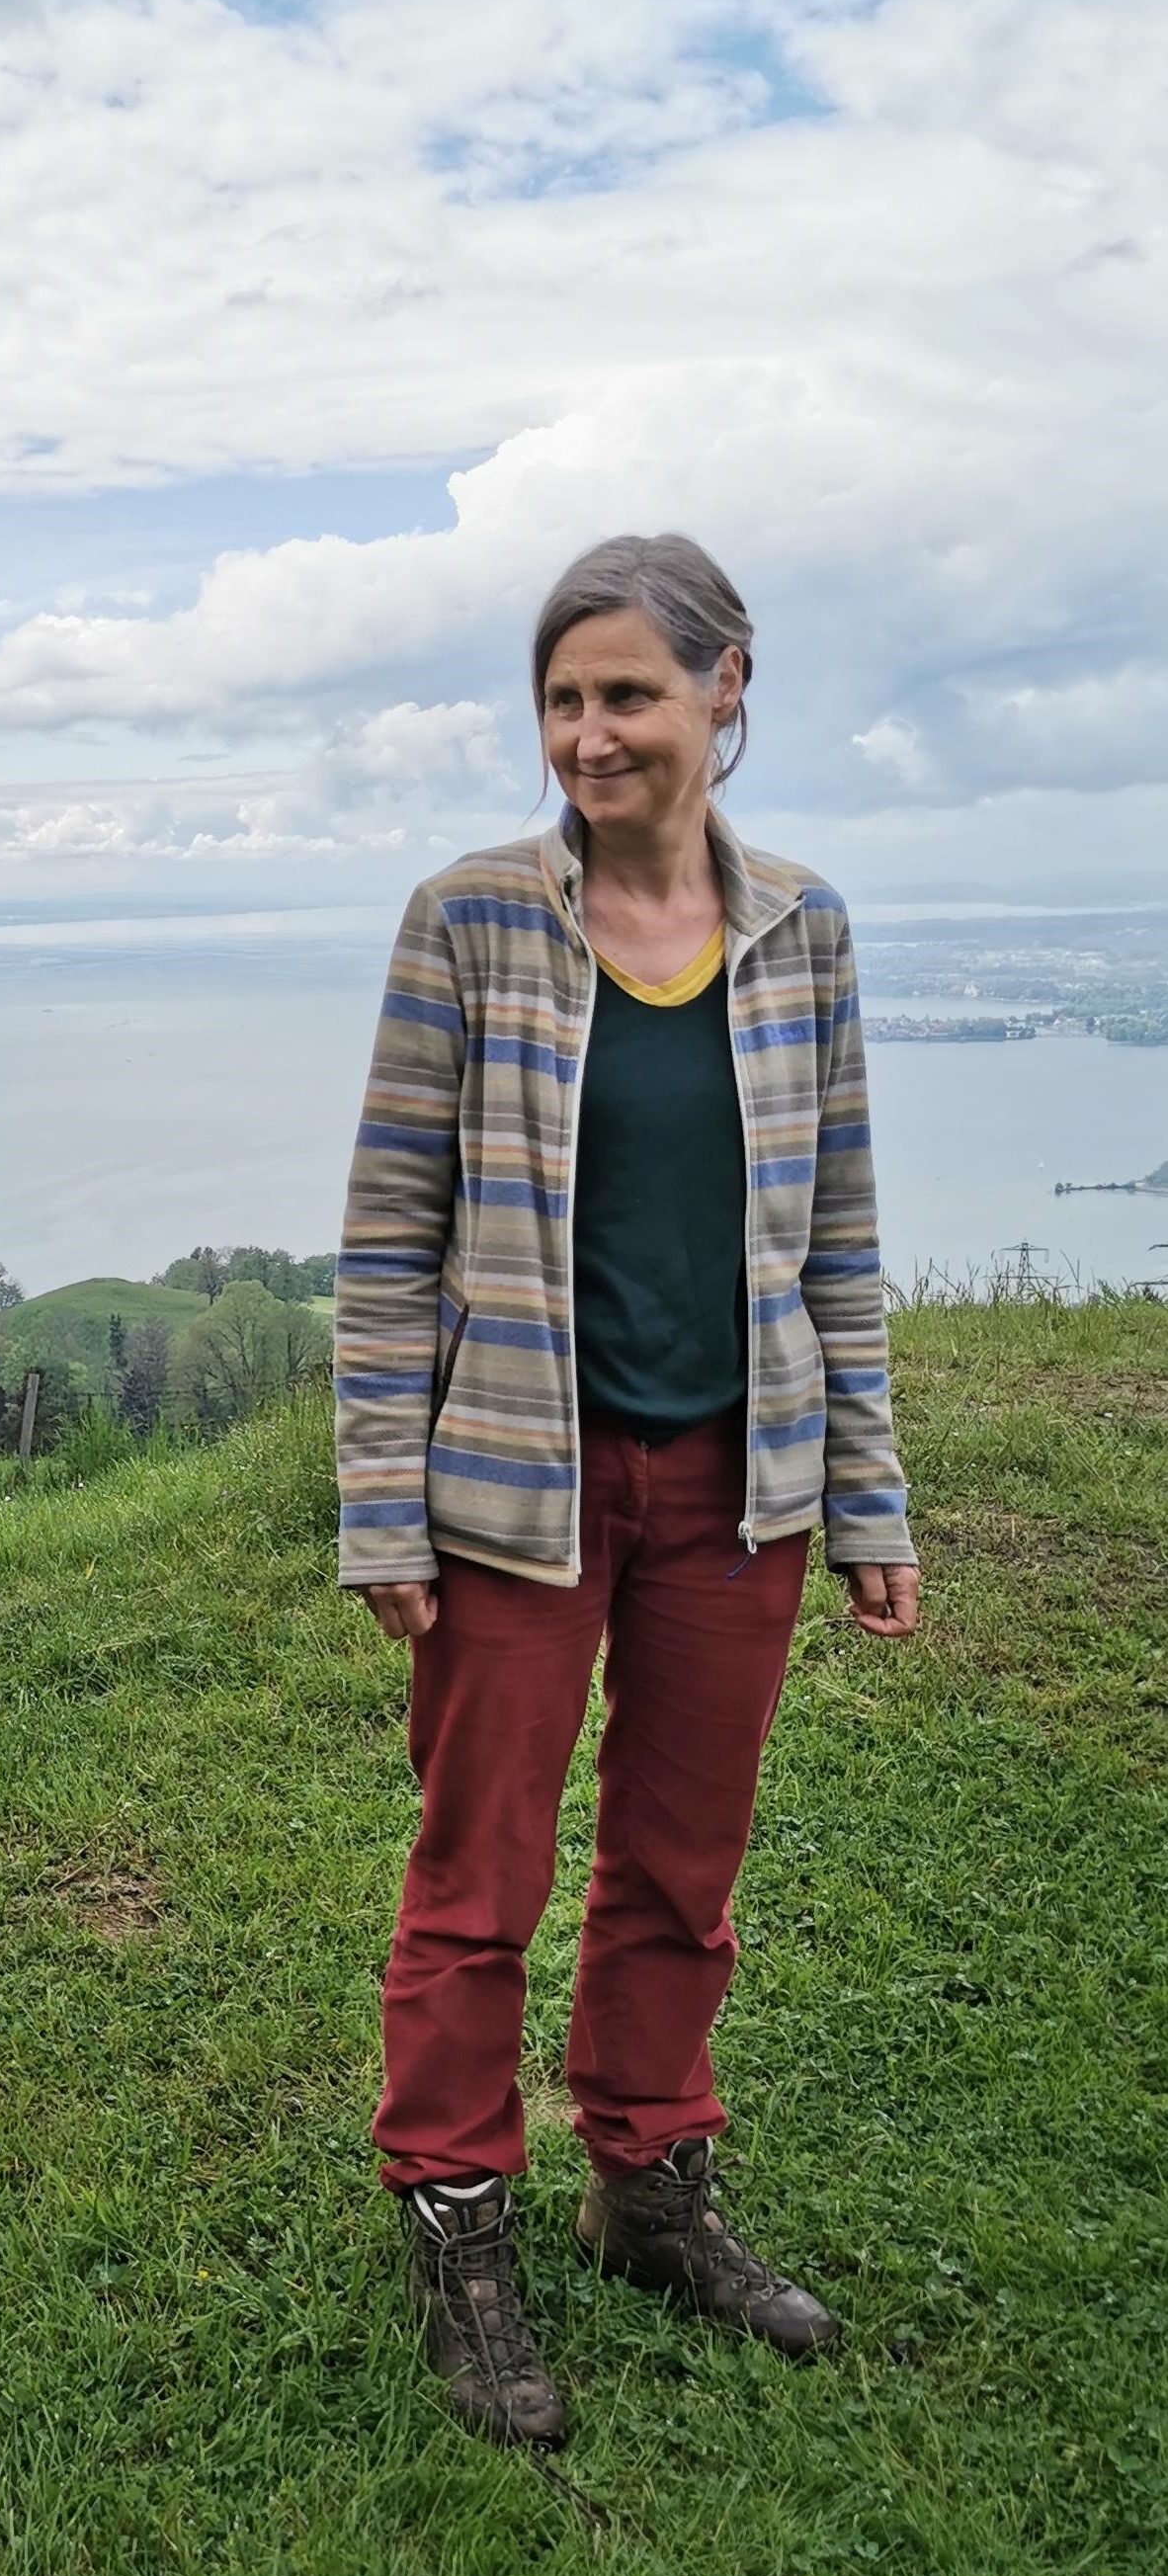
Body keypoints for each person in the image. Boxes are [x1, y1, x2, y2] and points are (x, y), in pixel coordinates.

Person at [333, 534, 921, 2450]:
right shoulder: (468, 921)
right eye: (562, 699)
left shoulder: (803, 928)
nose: (588, 733)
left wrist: (865, 1496)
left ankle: (647, 2184)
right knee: (478, 1873)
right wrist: (379, 1496)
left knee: (682, 1864)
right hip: (520, 1478)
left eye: (628, 694)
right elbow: (387, 1238)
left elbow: (836, 1237)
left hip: (737, 1486)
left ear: (724, 687)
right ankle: (456, 2214)